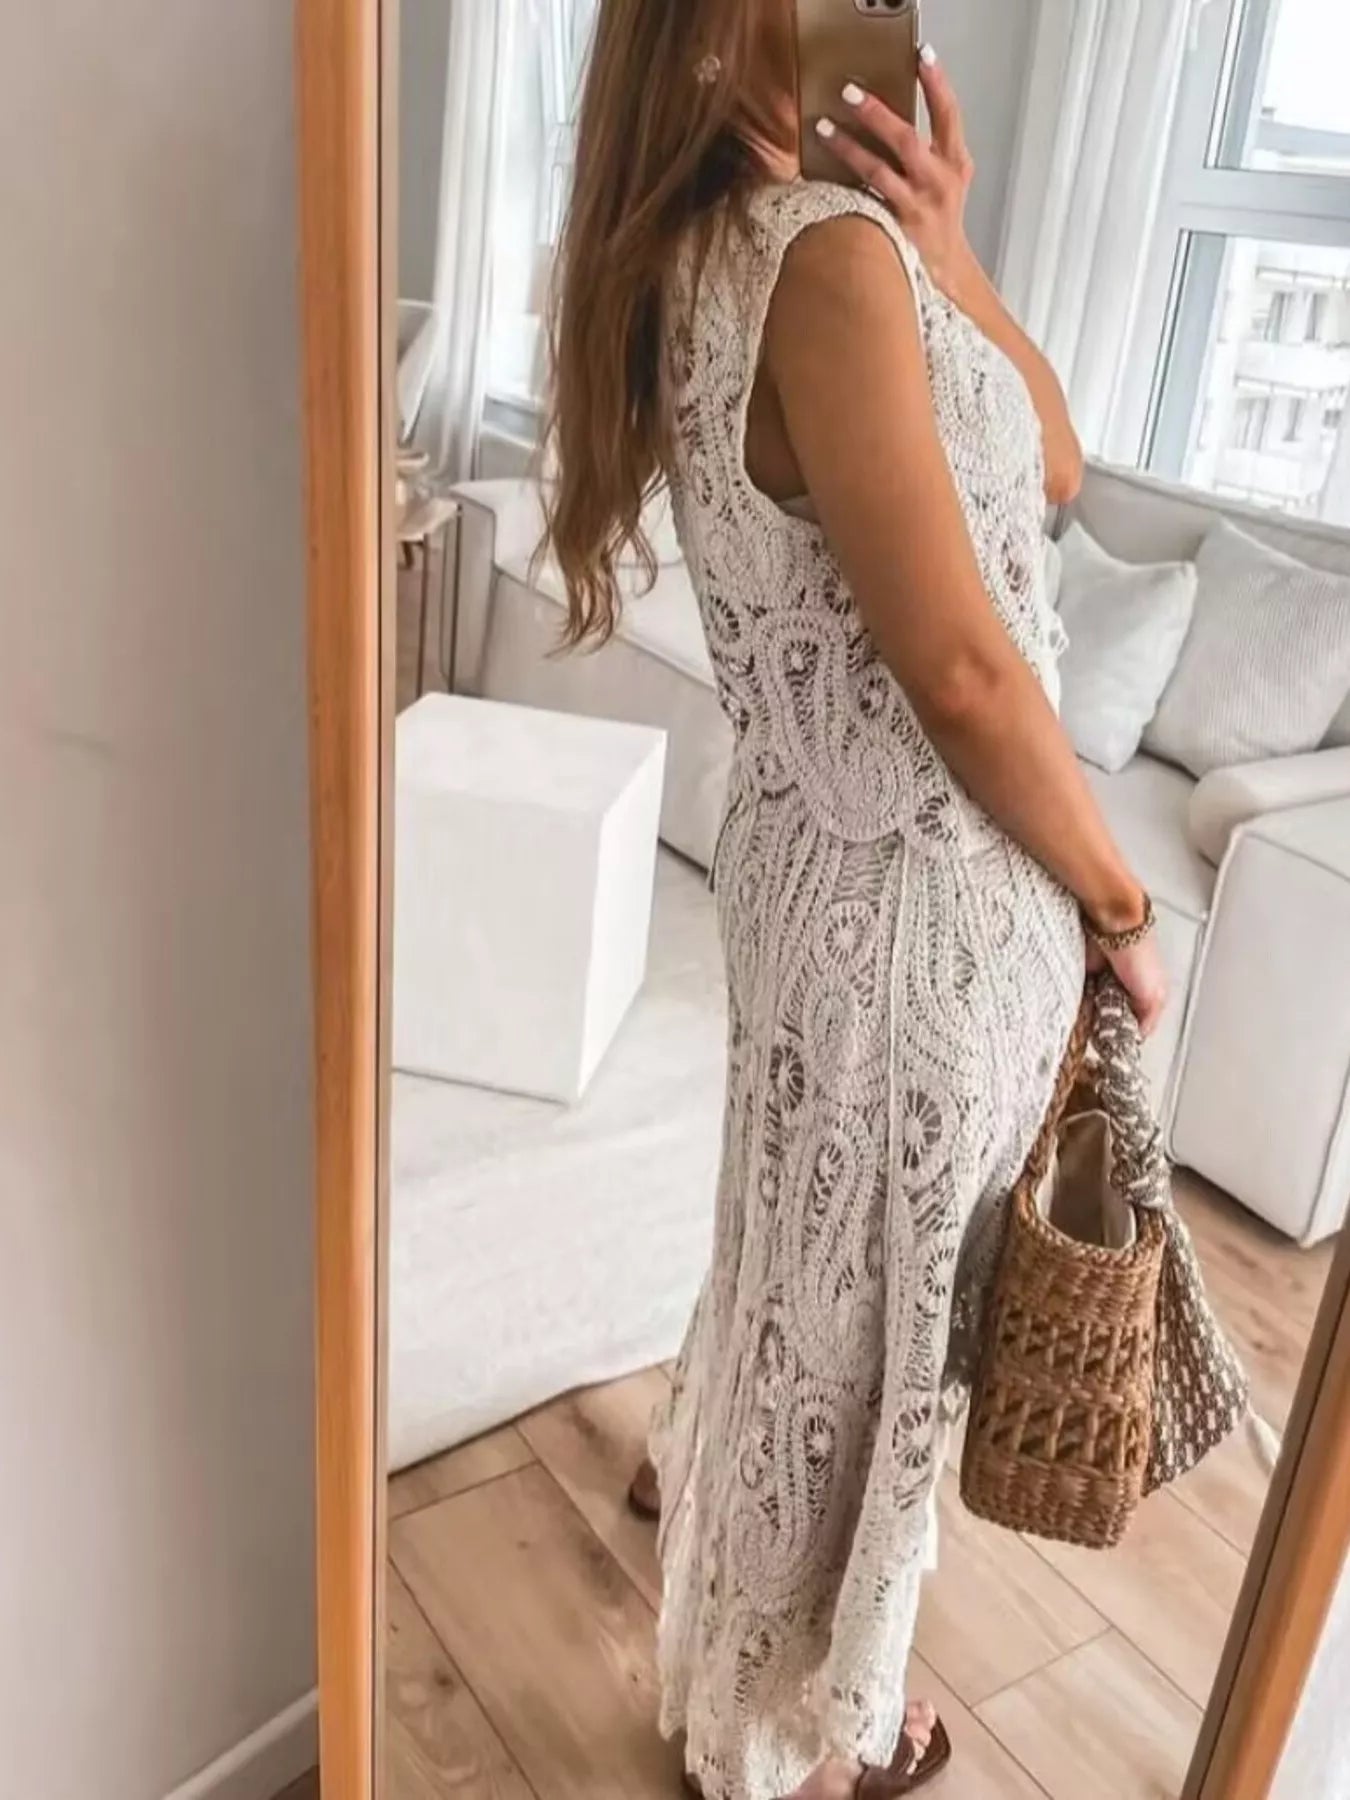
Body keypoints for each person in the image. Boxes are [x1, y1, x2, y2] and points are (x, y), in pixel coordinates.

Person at [544, 4, 1167, 1797]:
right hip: (920, 902)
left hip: (812, 867)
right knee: (887, 1330)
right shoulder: (816, 262)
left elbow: (1055, 469)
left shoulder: (712, 249)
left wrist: (948, 245)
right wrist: (1121, 906)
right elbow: (962, 671)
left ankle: (711, 1499)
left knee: (805, 1254)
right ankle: (806, 1725)